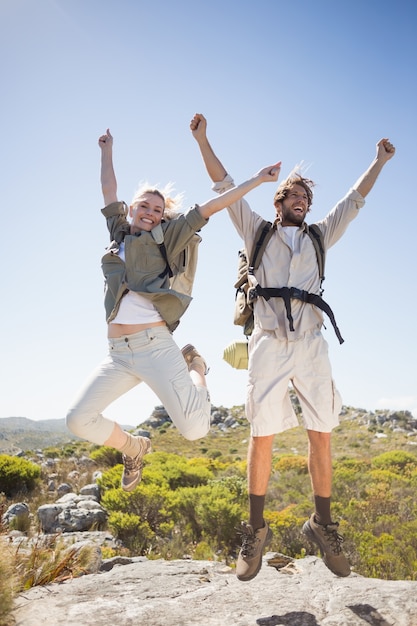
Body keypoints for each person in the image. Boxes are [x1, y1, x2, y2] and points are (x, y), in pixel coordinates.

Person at [190, 113, 395, 581]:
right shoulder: (256, 229)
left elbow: (355, 200)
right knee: (261, 433)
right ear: (278, 200)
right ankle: (255, 530)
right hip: (267, 344)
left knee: (321, 431)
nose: (302, 201)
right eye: (294, 195)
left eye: (307, 197)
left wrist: (378, 161)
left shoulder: (321, 235)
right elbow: (223, 185)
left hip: (312, 344)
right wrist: (204, 139)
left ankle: (323, 524)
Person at [66, 127, 281, 493]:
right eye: (144, 206)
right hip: (118, 354)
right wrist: (107, 151)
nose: (150, 212)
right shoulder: (118, 233)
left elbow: (214, 205)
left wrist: (257, 180)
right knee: (78, 420)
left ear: (163, 215)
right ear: (131, 210)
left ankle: (196, 365)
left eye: (157, 209)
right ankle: (134, 449)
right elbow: (108, 190)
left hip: (154, 345)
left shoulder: (171, 234)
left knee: (196, 430)